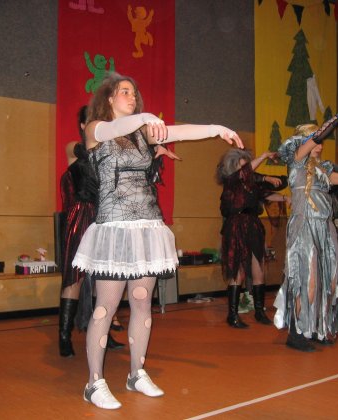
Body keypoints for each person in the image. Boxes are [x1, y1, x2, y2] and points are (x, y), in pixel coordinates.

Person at [72, 72, 243, 410]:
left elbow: (179, 131)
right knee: (106, 307)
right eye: (124, 91)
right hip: (114, 229)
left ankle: (136, 374)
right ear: (109, 98)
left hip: (147, 226)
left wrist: (216, 128)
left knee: (141, 302)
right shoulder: (95, 129)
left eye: (134, 92)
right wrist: (145, 118)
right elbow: (115, 129)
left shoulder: (143, 132)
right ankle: (94, 383)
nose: (132, 96)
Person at [273, 111, 338, 353]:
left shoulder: (323, 171)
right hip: (305, 226)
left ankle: (316, 328)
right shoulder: (296, 162)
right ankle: (296, 332)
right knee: (307, 280)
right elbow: (318, 136)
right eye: (314, 138)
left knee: (327, 279)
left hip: (325, 228)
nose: (319, 144)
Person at [58, 106, 124, 358]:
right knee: (75, 276)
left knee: (103, 277)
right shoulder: (73, 147)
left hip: (103, 217)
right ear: (83, 126)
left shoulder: (108, 152)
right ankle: (64, 337)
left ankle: (102, 333)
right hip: (80, 216)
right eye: (94, 122)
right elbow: (85, 151)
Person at [216, 149, 288, 328]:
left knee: (259, 270)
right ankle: (232, 315)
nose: (247, 170)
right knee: (238, 271)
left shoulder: (252, 185)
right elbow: (246, 173)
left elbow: (267, 195)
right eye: (243, 167)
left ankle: (259, 311)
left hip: (253, 226)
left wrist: (285, 198)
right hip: (236, 226)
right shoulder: (231, 180)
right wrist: (263, 157)